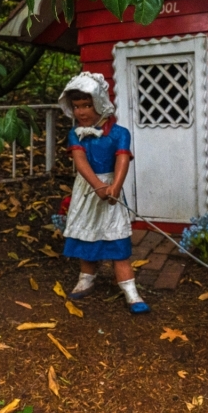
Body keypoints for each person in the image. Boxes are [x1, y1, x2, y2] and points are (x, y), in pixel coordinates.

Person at [56, 72, 149, 314]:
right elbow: (80, 161)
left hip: (110, 187)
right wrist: (97, 185)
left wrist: (114, 187)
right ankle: (86, 277)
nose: (81, 112)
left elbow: (122, 159)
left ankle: (130, 291)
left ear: (99, 103)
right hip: (87, 189)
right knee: (86, 234)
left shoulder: (119, 133)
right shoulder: (75, 134)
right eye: (77, 106)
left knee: (117, 239)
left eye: (87, 105)